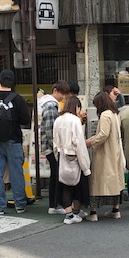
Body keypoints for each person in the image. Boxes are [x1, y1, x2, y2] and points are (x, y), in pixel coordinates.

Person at [0, 69, 31, 215]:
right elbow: (25, 120)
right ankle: (20, 205)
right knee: (17, 173)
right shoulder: (17, 99)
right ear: (12, 82)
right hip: (14, 140)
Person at [84, 92, 126, 221]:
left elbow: (103, 134)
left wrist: (90, 142)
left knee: (96, 182)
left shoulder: (105, 115)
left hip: (105, 153)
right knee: (115, 182)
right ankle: (116, 210)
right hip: (115, 152)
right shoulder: (114, 114)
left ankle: (93, 212)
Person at [53, 96, 91, 224]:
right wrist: (86, 165)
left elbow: (55, 141)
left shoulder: (58, 120)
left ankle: (69, 214)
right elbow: (79, 143)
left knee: (65, 186)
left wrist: (58, 155)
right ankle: (74, 212)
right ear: (76, 107)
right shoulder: (75, 120)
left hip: (62, 156)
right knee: (78, 185)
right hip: (75, 157)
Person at [38, 80, 71, 215]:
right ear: (55, 90)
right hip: (52, 147)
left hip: (48, 147)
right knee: (57, 176)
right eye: (62, 93)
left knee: (55, 175)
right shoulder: (51, 105)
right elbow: (50, 129)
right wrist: (57, 148)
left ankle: (54, 204)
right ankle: (55, 204)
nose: (63, 97)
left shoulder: (46, 103)